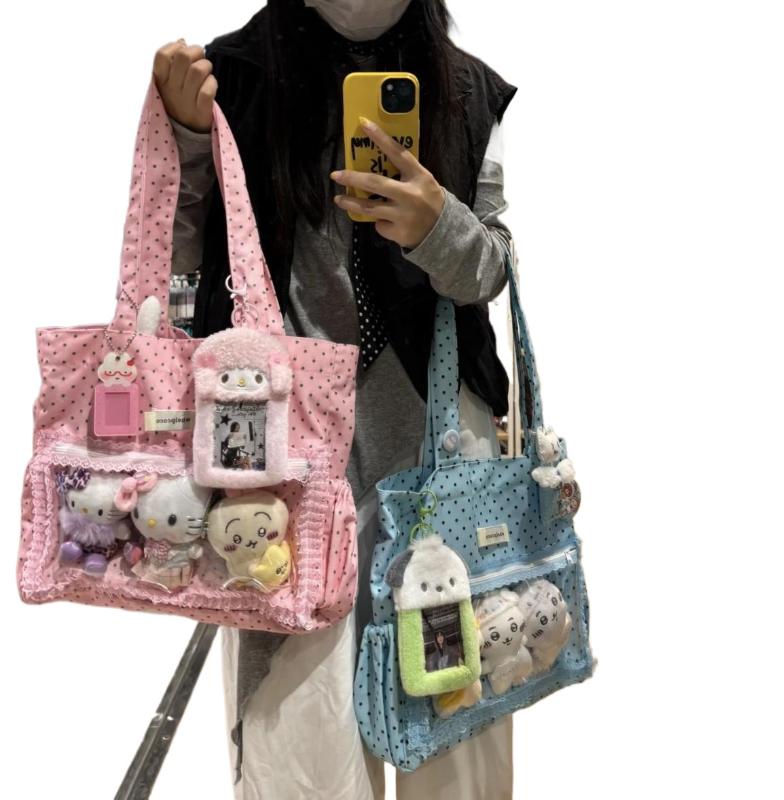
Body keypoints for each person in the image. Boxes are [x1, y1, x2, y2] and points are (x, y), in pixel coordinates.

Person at [156, 1, 517, 797]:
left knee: (455, 739)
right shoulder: (229, 79)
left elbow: (493, 267)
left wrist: (439, 227)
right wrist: (187, 137)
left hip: (439, 446)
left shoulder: (466, 90)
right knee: (301, 753)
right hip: (283, 462)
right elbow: (176, 269)